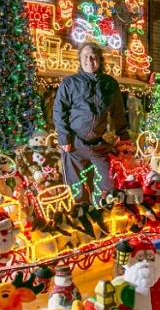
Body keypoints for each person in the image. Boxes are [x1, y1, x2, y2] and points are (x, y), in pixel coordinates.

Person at [52, 42, 131, 212]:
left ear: (100, 60)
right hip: (74, 143)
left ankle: (103, 209)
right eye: (85, 56)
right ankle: (80, 213)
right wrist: (64, 137)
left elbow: (118, 112)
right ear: (80, 59)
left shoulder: (110, 84)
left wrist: (123, 137)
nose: (89, 60)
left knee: (107, 178)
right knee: (75, 185)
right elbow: (59, 111)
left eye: (93, 57)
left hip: (98, 143)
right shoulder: (69, 83)